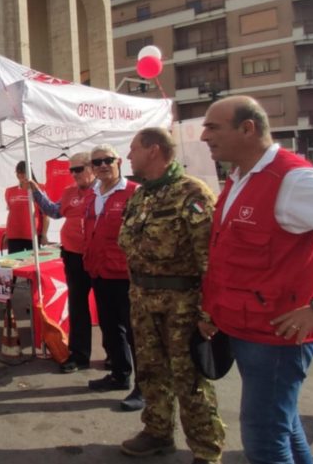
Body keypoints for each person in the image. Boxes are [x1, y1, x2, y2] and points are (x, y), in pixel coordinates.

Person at [199, 95, 313, 464]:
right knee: (282, 425)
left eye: (213, 127)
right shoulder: (239, 177)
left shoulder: (294, 179)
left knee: (265, 440)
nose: (204, 136)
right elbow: (231, 258)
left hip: (277, 338)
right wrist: (212, 311)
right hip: (250, 330)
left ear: (247, 129)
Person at [118, 128, 224, 463]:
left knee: (189, 378)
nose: (129, 155)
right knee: (150, 372)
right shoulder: (140, 195)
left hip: (182, 303)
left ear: (153, 150)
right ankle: (157, 432)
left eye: (133, 149)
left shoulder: (192, 193)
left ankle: (207, 450)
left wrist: (210, 312)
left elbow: (211, 258)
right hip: (143, 299)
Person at [23, 151, 98, 373]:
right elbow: (54, 212)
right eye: (71, 170)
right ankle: (79, 355)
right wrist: (37, 193)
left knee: (108, 308)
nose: (74, 174)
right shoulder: (69, 193)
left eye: (79, 169)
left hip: (99, 257)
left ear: (92, 168)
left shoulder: (103, 191)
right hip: (73, 256)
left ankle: (116, 357)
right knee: (77, 307)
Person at [82, 145, 140, 403]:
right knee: (109, 328)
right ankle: (119, 374)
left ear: (118, 162)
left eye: (107, 160)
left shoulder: (133, 193)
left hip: (125, 275)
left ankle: (145, 387)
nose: (103, 165)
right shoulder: (93, 194)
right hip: (99, 271)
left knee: (135, 333)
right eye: (97, 162)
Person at [5, 160, 48, 253]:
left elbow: (46, 215)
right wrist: (7, 233)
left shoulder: (39, 188)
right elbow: (11, 213)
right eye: (18, 172)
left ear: (29, 172)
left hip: (32, 235)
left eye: (23, 172)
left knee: (32, 264)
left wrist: (44, 235)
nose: (21, 175)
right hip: (14, 235)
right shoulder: (9, 191)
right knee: (15, 264)